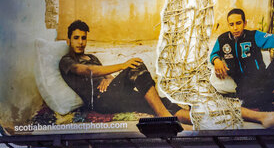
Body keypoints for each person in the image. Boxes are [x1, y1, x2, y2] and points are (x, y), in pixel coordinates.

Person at [59, 20, 191, 124]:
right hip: (100, 101)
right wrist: (122, 66)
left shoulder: (92, 58)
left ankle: (196, 121)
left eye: (83, 38)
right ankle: (164, 116)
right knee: (135, 67)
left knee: (159, 102)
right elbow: (88, 70)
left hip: (113, 95)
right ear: (68, 40)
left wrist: (107, 79)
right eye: (76, 38)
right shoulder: (67, 61)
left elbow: (108, 76)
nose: (80, 42)